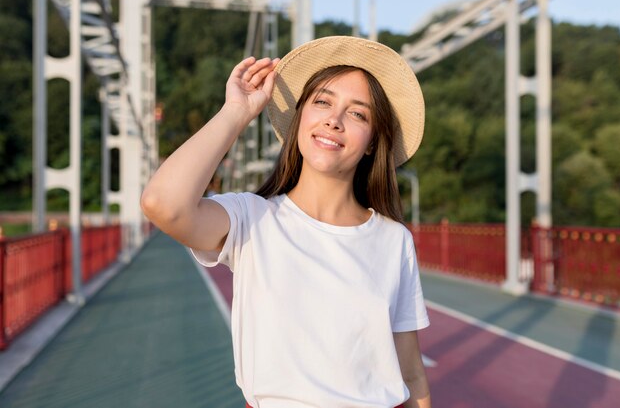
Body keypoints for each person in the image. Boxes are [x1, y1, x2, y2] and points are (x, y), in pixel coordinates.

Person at [141, 36, 431, 408]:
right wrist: (237, 111)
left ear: (373, 142)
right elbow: (162, 204)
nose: (334, 120)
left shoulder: (394, 241)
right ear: (299, 119)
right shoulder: (251, 218)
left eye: (358, 113)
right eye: (322, 102)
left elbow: (410, 373)